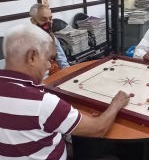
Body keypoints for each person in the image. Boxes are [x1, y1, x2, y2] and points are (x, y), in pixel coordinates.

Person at [0, 24, 130, 159]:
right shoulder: (43, 103)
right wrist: (116, 104)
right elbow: (98, 129)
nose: (49, 65)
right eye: (48, 59)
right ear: (32, 56)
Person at [29, 3, 70, 74]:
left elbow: (63, 62)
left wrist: (69, 74)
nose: (49, 22)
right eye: (44, 19)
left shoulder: (51, 37)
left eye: (50, 18)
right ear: (33, 21)